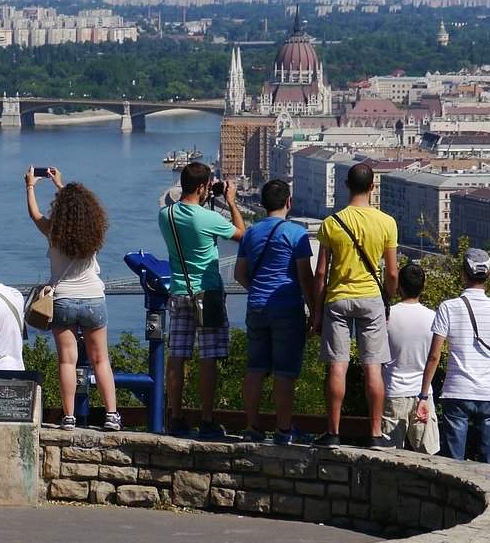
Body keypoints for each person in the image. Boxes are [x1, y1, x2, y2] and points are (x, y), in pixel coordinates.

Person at [25, 167, 121, 432]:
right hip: (93, 298)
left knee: (67, 361)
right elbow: (76, 205)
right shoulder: (94, 233)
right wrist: (61, 185)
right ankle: (111, 415)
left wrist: (30, 186)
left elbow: (35, 214)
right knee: (101, 360)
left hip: (63, 300)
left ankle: (68, 417)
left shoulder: (53, 231)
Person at [312, 162, 399, 448]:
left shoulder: (331, 223)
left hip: (338, 298)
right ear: (373, 186)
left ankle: (333, 431)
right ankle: (375, 433)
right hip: (371, 298)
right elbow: (392, 273)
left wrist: (316, 311)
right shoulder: (386, 222)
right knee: (373, 367)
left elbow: (321, 272)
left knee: (338, 366)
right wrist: (388, 298)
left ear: (346, 186)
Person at [158, 162, 245, 438]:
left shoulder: (166, 215)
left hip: (179, 291)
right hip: (207, 293)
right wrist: (230, 202)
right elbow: (242, 235)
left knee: (177, 355)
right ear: (201, 187)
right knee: (208, 357)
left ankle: (175, 417)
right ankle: (207, 419)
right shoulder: (207, 218)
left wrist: (207, 197)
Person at [417, 249, 490, 467]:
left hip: (457, 390)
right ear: (489, 274)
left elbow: (434, 356)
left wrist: (423, 395)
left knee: (454, 464)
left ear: (463, 274)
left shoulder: (448, 307)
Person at [232, 179, 313, 444]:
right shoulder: (297, 234)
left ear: (263, 203)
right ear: (289, 202)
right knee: (284, 371)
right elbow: (305, 277)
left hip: (256, 306)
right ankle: (284, 430)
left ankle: (252, 427)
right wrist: (315, 311)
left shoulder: (251, 233)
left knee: (255, 367)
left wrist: (257, 290)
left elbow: (239, 274)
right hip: (286, 307)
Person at [382, 263, 436, 450]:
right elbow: (434, 356)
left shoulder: (387, 315)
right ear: (423, 285)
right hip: (423, 392)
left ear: (399, 285)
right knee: (427, 455)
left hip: (393, 390)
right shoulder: (434, 317)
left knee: (388, 455)